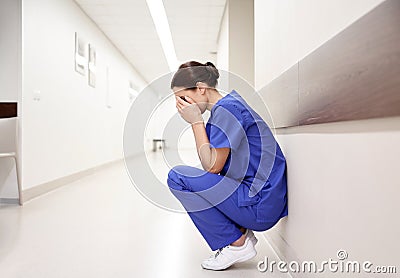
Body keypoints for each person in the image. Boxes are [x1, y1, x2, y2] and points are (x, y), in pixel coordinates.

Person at [167, 61, 288, 271]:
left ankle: (237, 243)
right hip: (261, 199)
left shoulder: (227, 110)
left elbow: (212, 166)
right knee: (199, 179)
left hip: (261, 206)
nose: (181, 105)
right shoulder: (225, 109)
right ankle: (239, 233)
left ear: (201, 88)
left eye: (183, 98)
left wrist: (196, 121)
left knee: (177, 177)